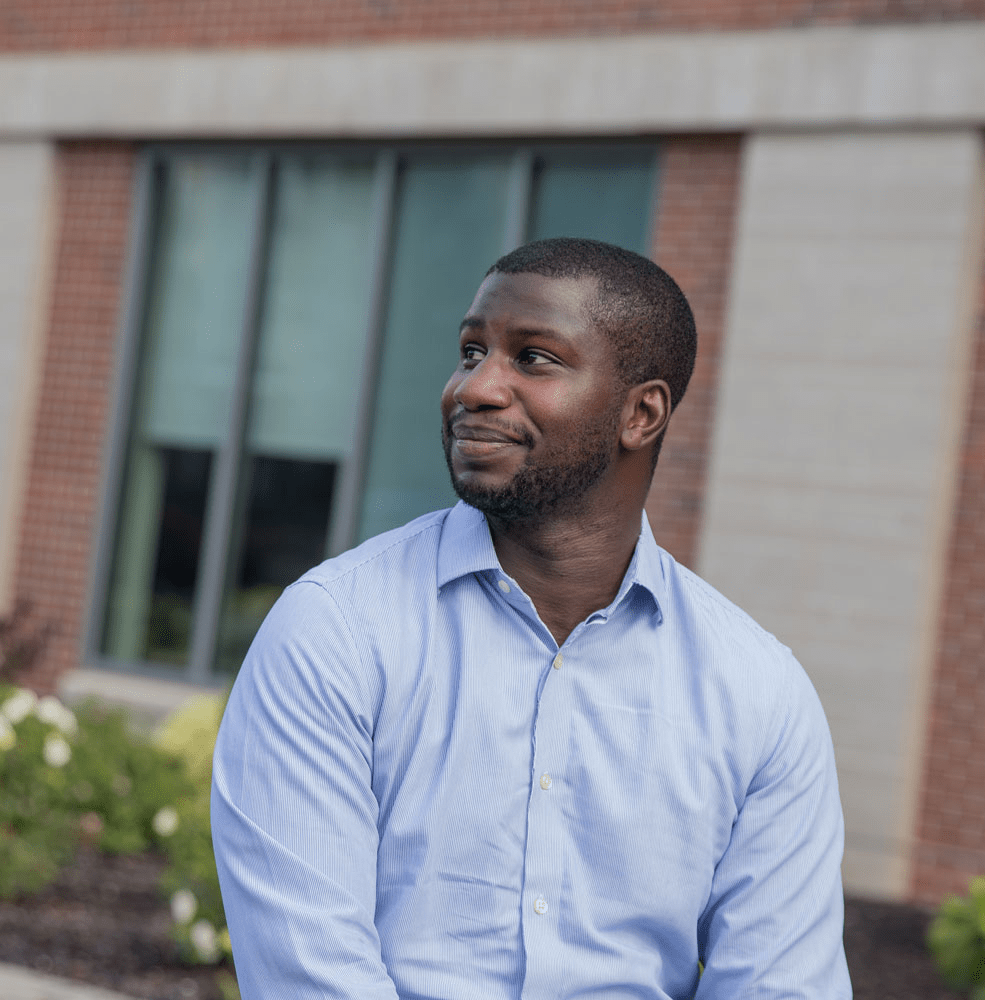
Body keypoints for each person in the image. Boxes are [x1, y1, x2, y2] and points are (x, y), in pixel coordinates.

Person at [211, 238, 852, 999]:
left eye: (534, 358)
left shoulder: (758, 691)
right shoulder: (337, 633)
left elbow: (781, 986)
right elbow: (309, 979)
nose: (475, 388)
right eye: (471, 350)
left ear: (641, 413)